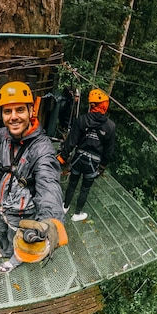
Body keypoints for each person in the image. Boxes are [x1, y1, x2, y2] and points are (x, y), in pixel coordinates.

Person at [0, 81, 66, 273]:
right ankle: (6, 251)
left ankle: (14, 261)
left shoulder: (42, 149)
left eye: (20, 110)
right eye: (7, 112)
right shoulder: (3, 136)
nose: (14, 117)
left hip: (23, 213)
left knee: (17, 239)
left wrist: (49, 221)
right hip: (2, 206)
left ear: (31, 111)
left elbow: (48, 184)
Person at [58, 88, 116, 222]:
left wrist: (63, 157)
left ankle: (65, 206)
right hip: (93, 163)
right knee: (85, 189)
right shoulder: (110, 126)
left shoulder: (82, 120)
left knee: (72, 184)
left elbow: (71, 142)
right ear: (104, 105)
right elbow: (109, 150)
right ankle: (77, 213)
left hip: (78, 158)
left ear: (92, 105)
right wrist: (102, 167)